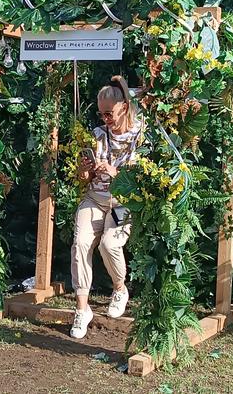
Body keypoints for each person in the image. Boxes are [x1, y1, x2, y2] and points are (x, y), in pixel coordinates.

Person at [70, 75, 146, 339]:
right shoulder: (97, 135)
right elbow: (83, 178)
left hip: (122, 202)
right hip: (95, 198)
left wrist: (114, 172)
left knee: (110, 244)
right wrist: (84, 171)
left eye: (109, 113)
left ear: (123, 107)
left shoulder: (140, 135)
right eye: (101, 114)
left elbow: (141, 179)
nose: (105, 119)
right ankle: (82, 309)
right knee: (80, 243)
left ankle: (120, 288)